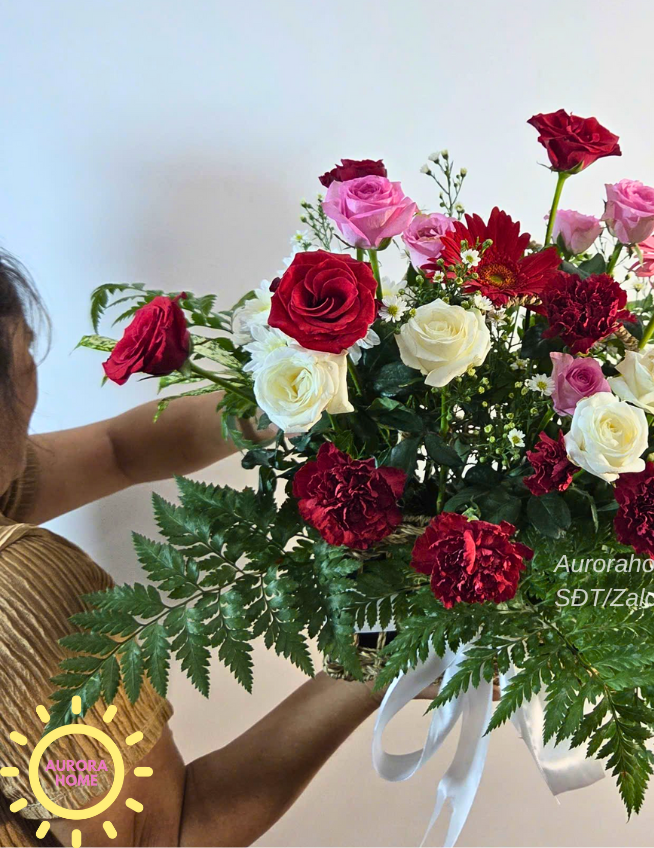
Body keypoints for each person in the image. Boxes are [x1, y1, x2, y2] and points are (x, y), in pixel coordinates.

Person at [0, 250, 401, 847]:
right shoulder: (15, 595)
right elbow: (166, 832)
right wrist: (375, 661)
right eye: (24, 349)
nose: (32, 370)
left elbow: (116, 450)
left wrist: (276, 399)